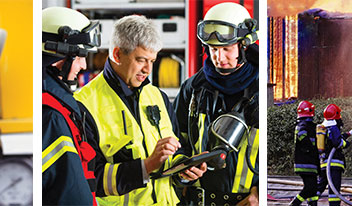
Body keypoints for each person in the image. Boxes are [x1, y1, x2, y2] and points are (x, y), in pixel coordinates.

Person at [74, 15, 204, 205]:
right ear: (117, 55)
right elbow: (88, 180)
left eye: (152, 61)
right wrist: (146, 166)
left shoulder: (158, 97)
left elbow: (175, 155)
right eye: (141, 60)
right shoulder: (83, 105)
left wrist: (185, 169)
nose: (148, 69)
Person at [173, 2, 260, 206]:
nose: (219, 58)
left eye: (227, 49)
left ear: (244, 45)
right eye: (213, 49)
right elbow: (176, 141)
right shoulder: (193, 89)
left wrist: (261, 191)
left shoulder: (262, 91)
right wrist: (182, 166)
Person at [42, 7, 101, 205]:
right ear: (57, 56)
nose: (83, 66)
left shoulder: (59, 105)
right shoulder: (52, 116)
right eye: (80, 56)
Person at [316, 104, 351, 206]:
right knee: (334, 189)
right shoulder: (334, 127)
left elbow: (331, 141)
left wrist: (343, 136)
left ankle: (311, 200)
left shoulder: (324, 127)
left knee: (321, 185)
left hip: (324, 163)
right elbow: (337, 143)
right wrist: (346, 143)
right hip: (334, 164)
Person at [289, 101, 319, 206]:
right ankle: (294, 203)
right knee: (309, 187)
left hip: (310, 162)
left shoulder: (309, 125)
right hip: (305, 163)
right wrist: (312, 149)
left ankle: (313, 204)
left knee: (313, 188)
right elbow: (302, 136)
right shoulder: (302, 125)